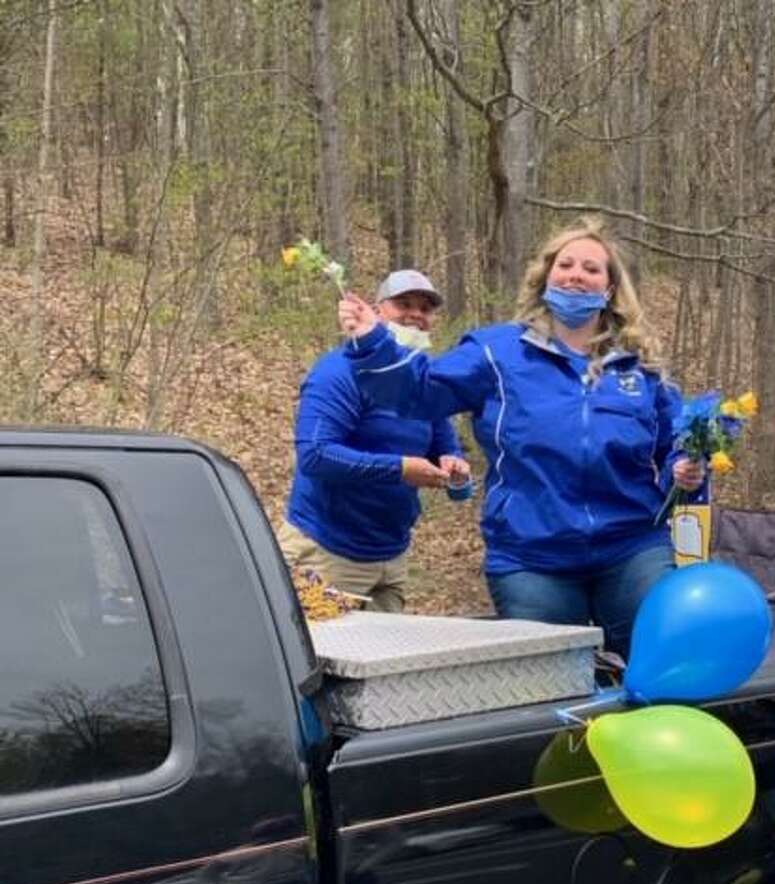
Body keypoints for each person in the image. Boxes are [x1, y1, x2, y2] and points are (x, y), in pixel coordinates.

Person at [336, 220, 704, 659]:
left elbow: (679, 442)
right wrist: (372, 343)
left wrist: (686, 468)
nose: (576, 274)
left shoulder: (640, 366)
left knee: (659, 669)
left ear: (608, 289)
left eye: (591, 268)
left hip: (632, 548)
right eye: (565, 264)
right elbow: (419, 392)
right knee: (552, 697)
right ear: (546, 277)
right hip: (533, 558)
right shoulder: (496, 352)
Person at [279, 269, 471, 612]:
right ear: (377, 311)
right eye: (404, 304)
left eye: (425, 309)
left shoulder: (422, 376)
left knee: (381, 664)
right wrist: (398, 469)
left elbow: (445, 444)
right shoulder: (337, 372)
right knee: (319, 663)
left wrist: (455, 467)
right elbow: (316, 455)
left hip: (391, 556)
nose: (416, 314)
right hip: (325, 553)